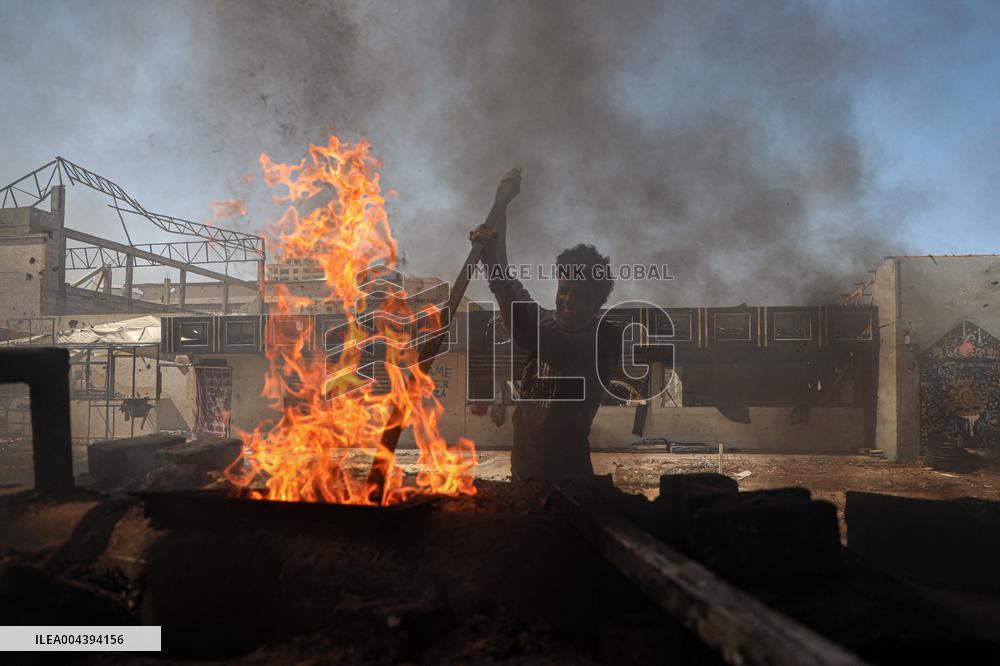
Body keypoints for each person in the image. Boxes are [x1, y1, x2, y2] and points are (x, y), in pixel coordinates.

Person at [470, 168, 618, 482]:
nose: (566, 300)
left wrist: (490, 265)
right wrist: (502, 207)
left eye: (578, 296)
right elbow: (506, 276)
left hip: (567, 482)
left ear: (597, 302)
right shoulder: (548, 320)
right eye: (563, 290)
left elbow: (528, 332)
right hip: (524, 474)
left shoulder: (599, 342)